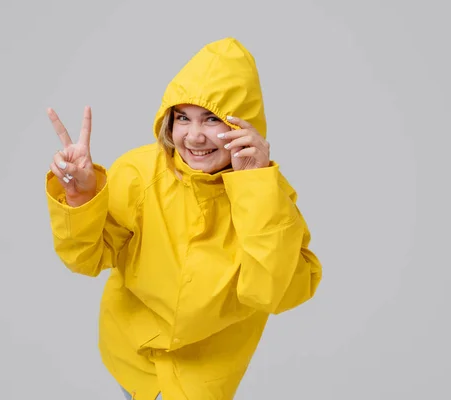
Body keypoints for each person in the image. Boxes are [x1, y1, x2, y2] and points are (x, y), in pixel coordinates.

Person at [44, 37, 322, 400]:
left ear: (244, 127)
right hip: (134, 358)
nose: (194, 136)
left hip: (205, 376)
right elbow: (86, 258)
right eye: (182, 118)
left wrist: (255, 187)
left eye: (212, 119)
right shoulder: (139, 173)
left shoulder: (269, 194)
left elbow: (274, 293)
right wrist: (81, 195)